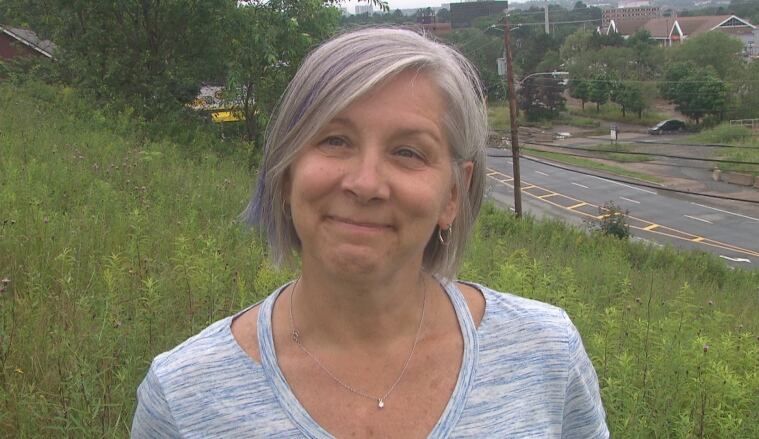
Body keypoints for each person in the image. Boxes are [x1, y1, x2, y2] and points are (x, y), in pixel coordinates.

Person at [132, 27, 608, 438]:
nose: (365, 183)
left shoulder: (546, 353)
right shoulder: (184, 397)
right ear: (285, 172)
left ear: (453, 195)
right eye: (334, 140)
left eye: (408, 152)